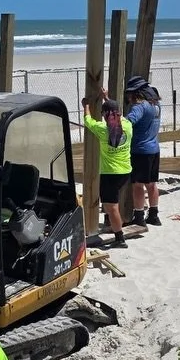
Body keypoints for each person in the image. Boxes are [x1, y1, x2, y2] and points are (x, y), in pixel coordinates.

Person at [81, 92, 133, 249]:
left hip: (110, 174)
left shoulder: (102, 130)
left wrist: (86, 106)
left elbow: (88, 121)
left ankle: (119, 238)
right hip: (125, 171)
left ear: (104, 115)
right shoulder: (128, 125)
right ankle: (116, 229)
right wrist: (107, 98)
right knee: (113, 205)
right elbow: (114, 111)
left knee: (112, 208)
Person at [124, 75, 163, 227]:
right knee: (152, 184)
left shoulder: (139, 106)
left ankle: (139, 216)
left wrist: (112, 122)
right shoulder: (156, 105)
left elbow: (128, 123)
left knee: (138, 185)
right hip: (154, 149)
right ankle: (153, 215)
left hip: (140, 150)